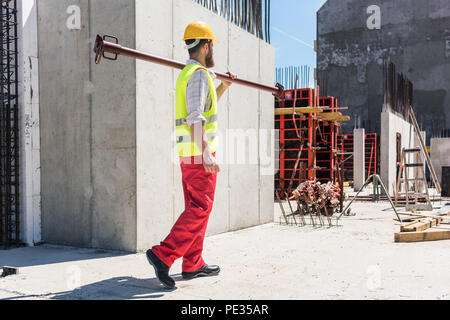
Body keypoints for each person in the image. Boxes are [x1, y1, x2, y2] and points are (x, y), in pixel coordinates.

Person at [146, 21, 236, 289]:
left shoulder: (193, 74)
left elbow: (204, 107)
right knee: (200, 208)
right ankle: (164, 254)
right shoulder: (197, 74)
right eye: (211, 45)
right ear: (206, 45)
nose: (212, 50)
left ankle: (193, 262)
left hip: (189, 154)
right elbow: (195, 116)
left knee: (197, 209)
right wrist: (207, 152)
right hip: (198, 155)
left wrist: (223, 87)